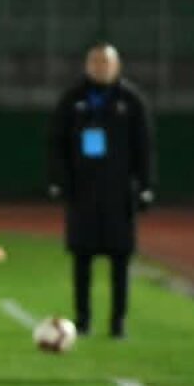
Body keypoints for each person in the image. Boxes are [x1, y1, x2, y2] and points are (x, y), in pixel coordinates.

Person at [48, 43, 154, 339]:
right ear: (86, 66)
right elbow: (56, 143)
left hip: (119, 193)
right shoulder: (72, 100)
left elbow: (144, 148)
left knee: (120, 259)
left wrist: (145, 186)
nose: (100, 68)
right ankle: (82, 320)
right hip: (82, 191)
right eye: (95, 63)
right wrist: (59, 180)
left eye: (106, 63)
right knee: (82, 257)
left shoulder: (131, 102)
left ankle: (117, 322)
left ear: (116, 66)